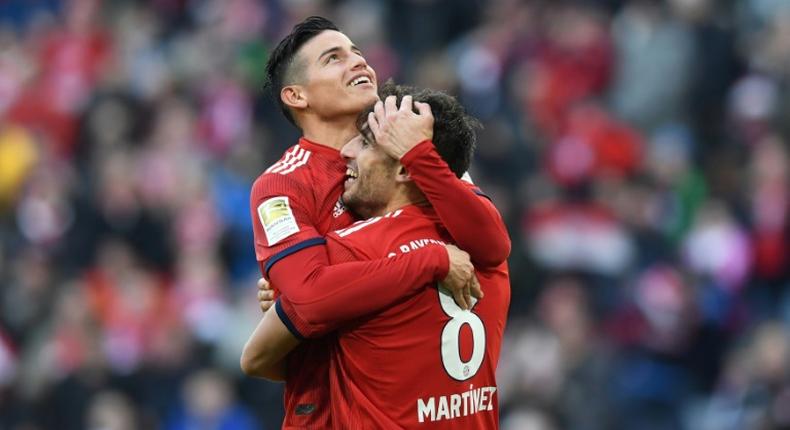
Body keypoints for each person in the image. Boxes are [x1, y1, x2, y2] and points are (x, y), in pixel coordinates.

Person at [245, 16, 510, 428]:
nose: (359, 63)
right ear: (297, 95)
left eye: (358, 53)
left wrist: (418, 154)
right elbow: (298, 313)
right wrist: (431, 257)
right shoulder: (282, 186)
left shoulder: (411, 142)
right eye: (335, 58)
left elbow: (493, 244)